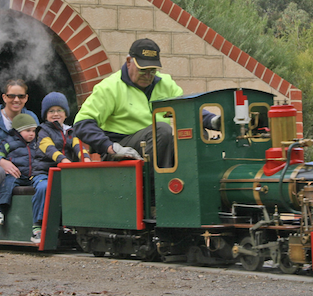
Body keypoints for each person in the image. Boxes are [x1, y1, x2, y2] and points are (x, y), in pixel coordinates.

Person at [74, 38, 206, 168]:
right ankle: (158, 186)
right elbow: (82, 123)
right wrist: (110, 147)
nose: (148, 76)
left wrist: (213, 120)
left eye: (152, 70)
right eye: (143, 70)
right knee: (161, 130)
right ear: (128, 62)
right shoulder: (110, 87)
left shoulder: (166, 84)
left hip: (158, 145)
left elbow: (187, 109)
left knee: (197, 133)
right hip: (120, 150)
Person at [0, 79, 39, 241]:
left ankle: (39, 225)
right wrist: (2, 162)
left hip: (25, 167)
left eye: (20, 96)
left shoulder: (31, 117)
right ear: (4, 97)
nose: (16, 100)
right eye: (11, 96)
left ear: (26, 98)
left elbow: (39, 146)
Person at [32, 92, 91, 243]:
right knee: (44, 187)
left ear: (65, 114)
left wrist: (87, 160)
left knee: (80, 188)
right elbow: (49, 149)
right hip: (45, 172)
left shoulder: (71, 131)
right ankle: (37, 226)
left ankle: (72, 225)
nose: (55, 114)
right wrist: (64, 161)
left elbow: (79, 148)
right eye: (51, 111)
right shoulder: (42, 131)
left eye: (59, 110)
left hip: (66, 173)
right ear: (45, 115)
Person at [0, 113, 40, 242]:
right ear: (18, 131)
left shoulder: (36, 144)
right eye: (28, 131)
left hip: (31, 176)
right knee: (7, 185)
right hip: (16, 174)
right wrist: (4, 165)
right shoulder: (9, 142)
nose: (31, 134)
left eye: (33, 131)